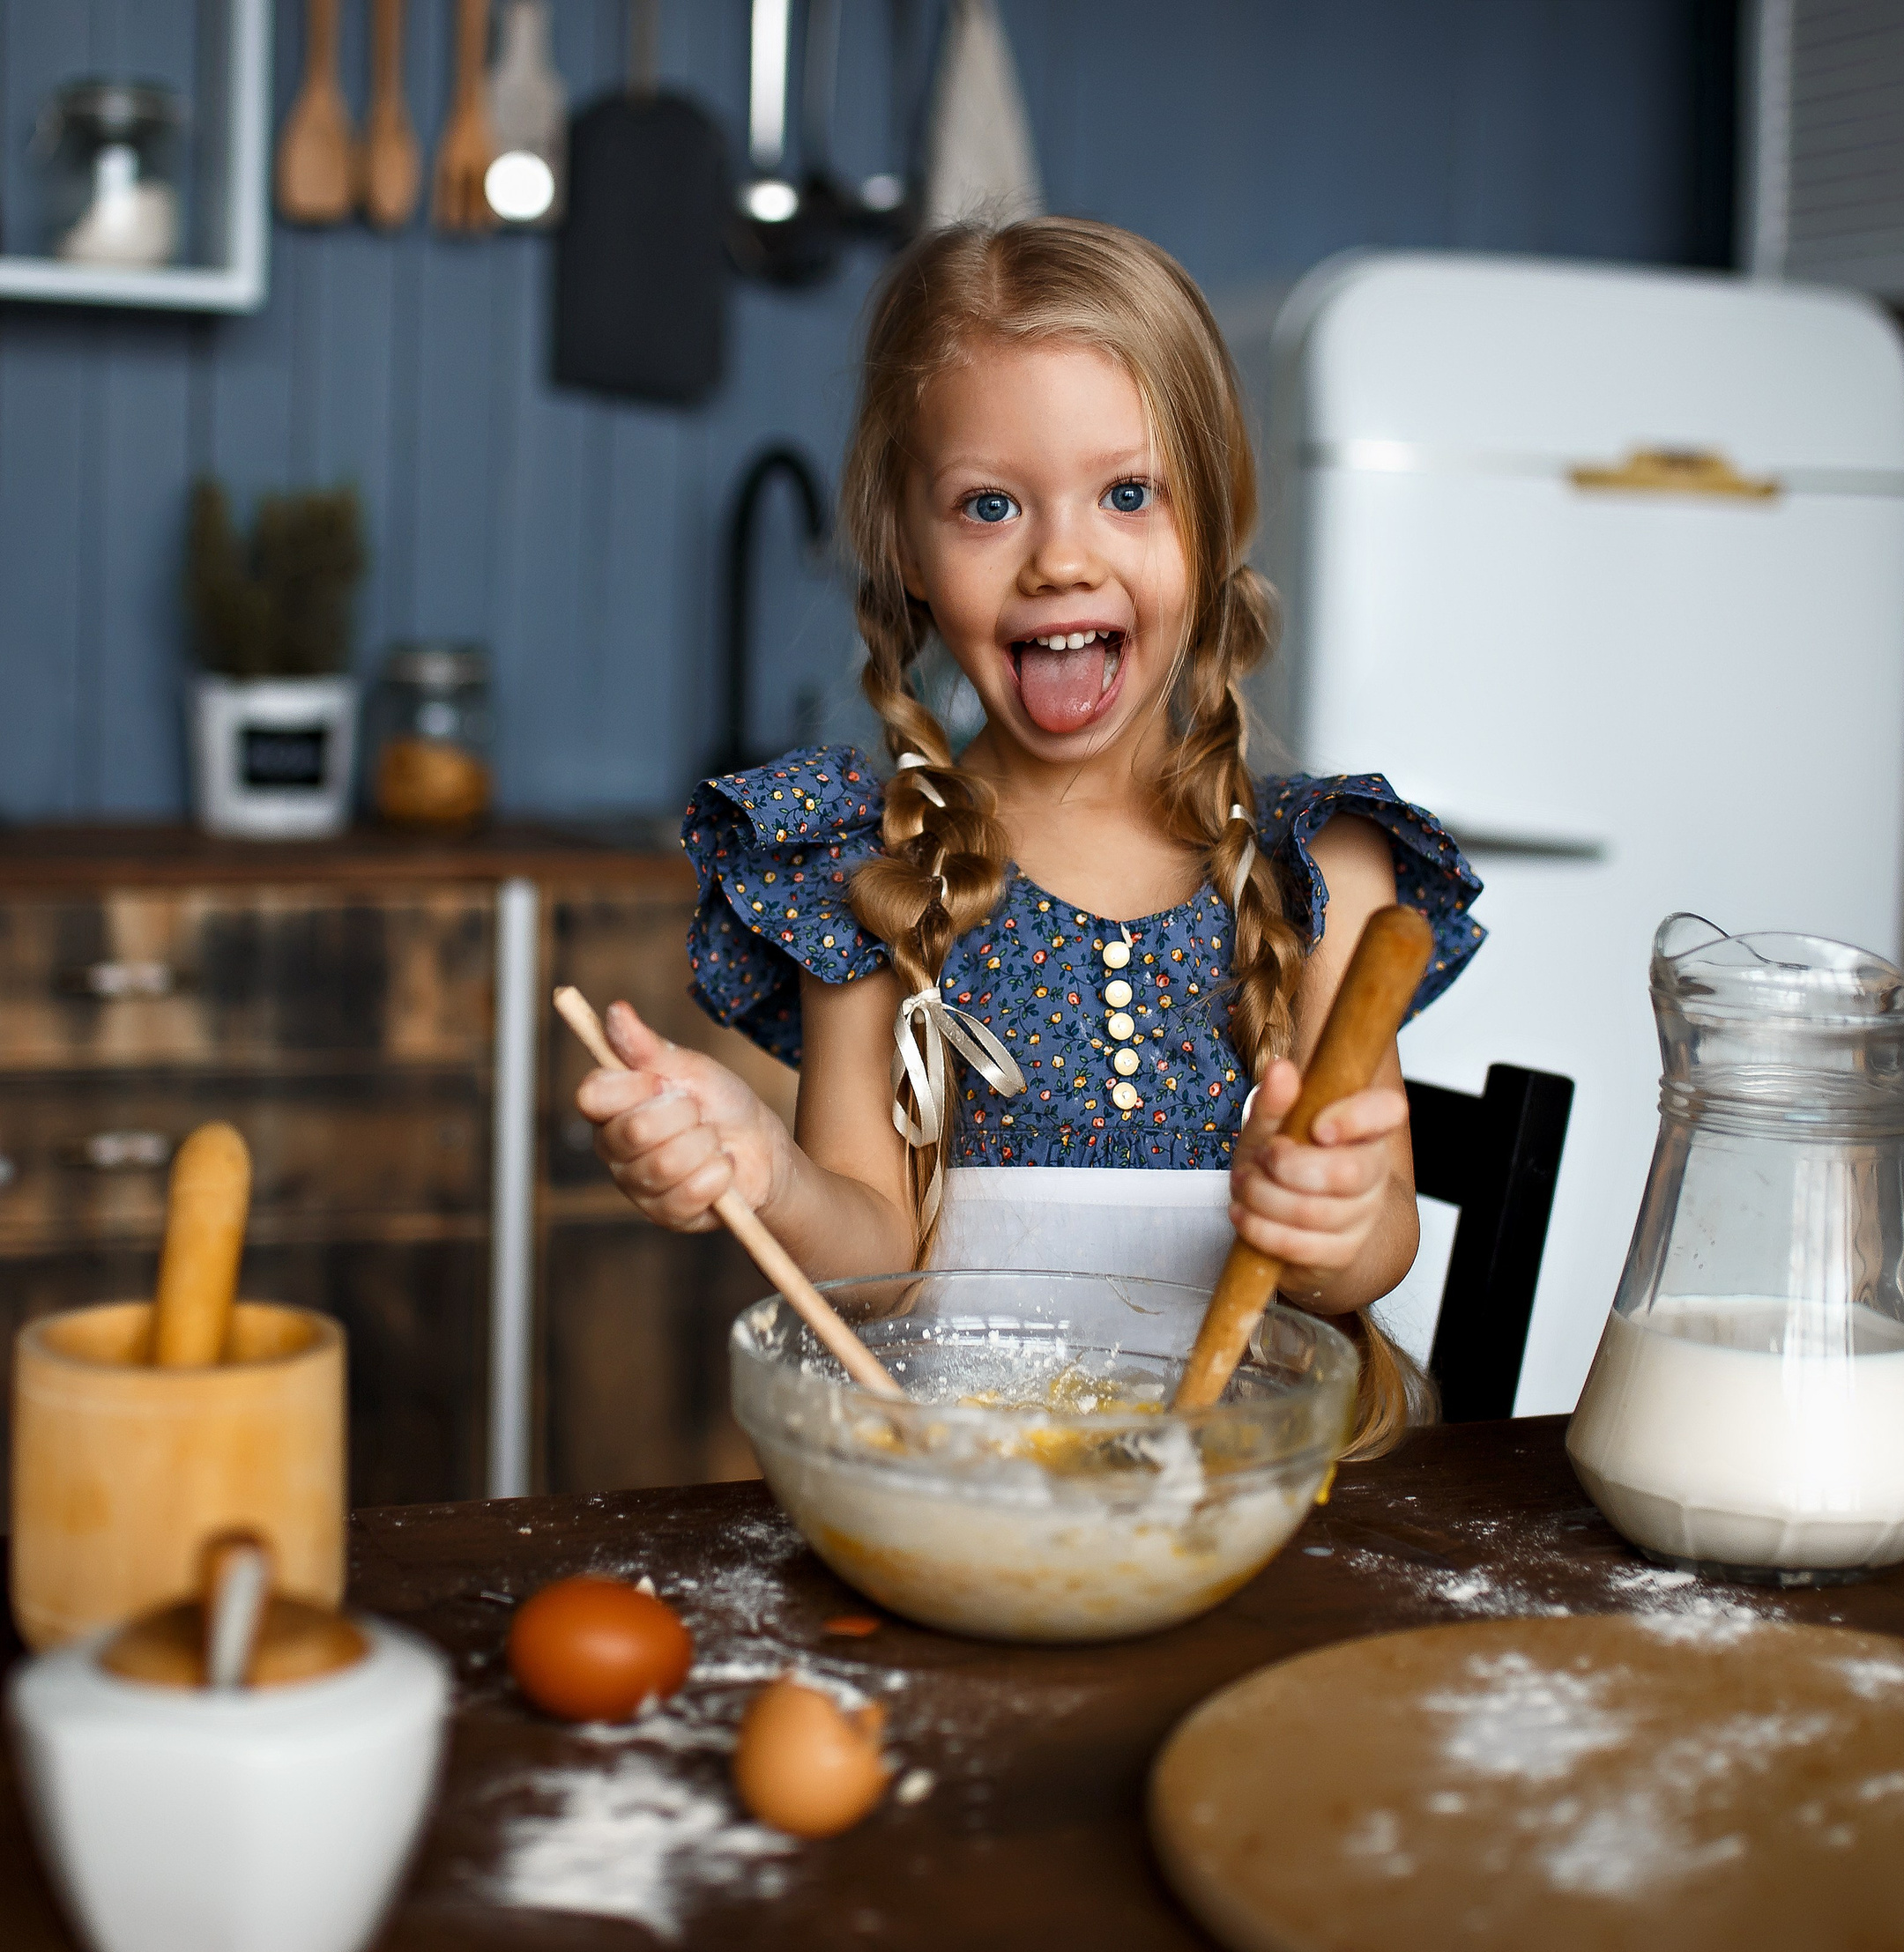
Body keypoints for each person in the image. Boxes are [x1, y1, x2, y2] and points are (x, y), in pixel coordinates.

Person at [577, 217, 1483, 1457]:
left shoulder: (1321, 867)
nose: (1062, 559)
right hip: (976, 1489)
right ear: (905, 548)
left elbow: (1374, 1245)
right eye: (990, 505)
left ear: (1215, 517)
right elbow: (879, 1271)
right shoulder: (871, 870)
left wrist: (1330, 1219)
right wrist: (764, 1173)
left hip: (1267, 1504)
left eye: (1128, 493)